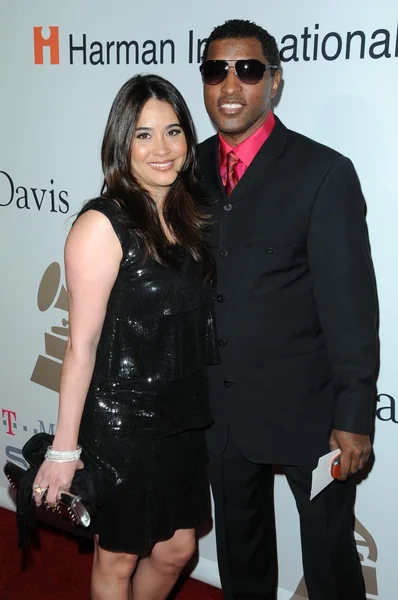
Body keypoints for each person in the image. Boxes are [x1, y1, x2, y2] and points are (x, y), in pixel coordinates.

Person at [198, 18, 378, 600]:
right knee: (240, 564)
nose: (230, 85)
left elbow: (352, 309)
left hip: (313, 420)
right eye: (215, 70)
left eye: (247, 69)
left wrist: (353, 416)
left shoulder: (323, 173)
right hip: (222, 413)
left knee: (328, 561)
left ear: (274, 81)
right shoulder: (185, 170)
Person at [32, 73, 218, 600]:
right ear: (121, 142)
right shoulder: (102, 224)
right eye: (143, 134)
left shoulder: (189, 214)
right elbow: (81, 345)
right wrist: (65, 452)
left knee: (178, 549)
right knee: (117, 559)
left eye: (173, 131)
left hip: (181, 414)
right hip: (122, 421)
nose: (161, 148)